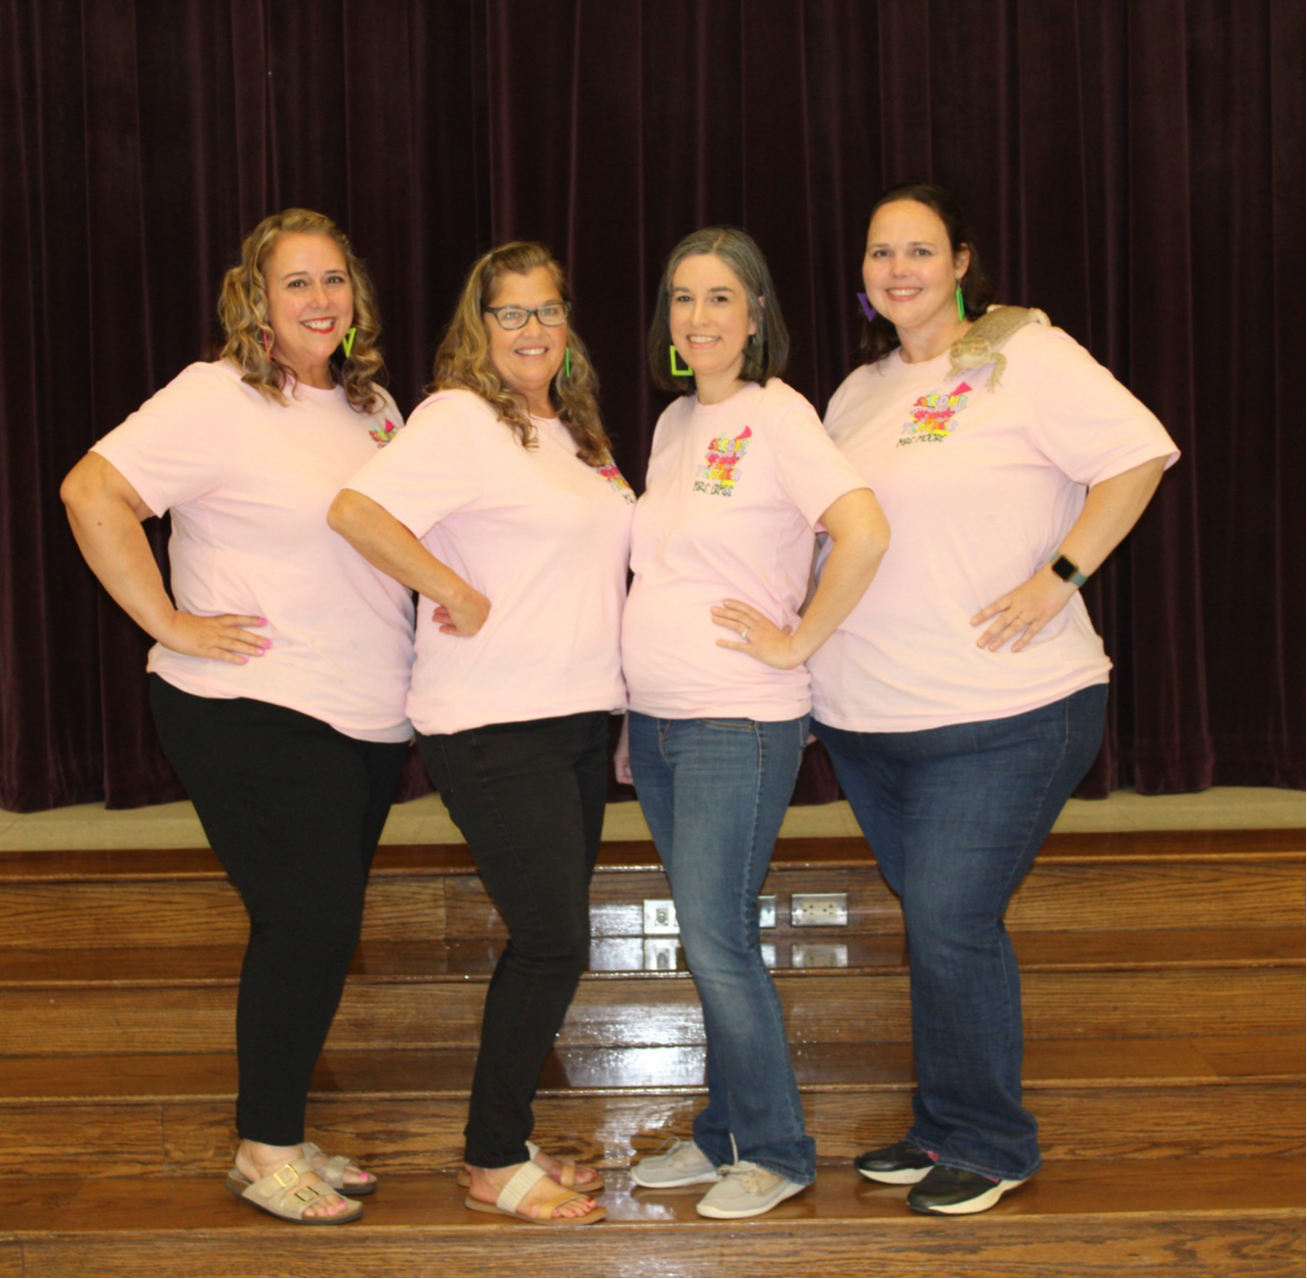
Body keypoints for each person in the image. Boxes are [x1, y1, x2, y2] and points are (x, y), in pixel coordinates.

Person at [809, 182, 1179, 1216]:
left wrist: (1056, 575)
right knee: (935, 924)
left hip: (1007, 712)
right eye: (881, 251)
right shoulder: (853, 393)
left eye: (918, 249)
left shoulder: (1029, 357)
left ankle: (988, 1139)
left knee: (947, 917)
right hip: (871, 720)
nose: (897, 269)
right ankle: (939, 1131)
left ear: (961, 260)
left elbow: (1137, 456)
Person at [61, 209, 415, 1224]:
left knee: (311, 927)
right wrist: (169, 619)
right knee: (309, 919)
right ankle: (264, 1148)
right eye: (295, 282)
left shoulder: (374, 407)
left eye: (334, 279)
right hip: (252, 705)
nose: (320, 299)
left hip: (363, 716)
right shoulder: (214, 396)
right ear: (253, 300)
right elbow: (92, 492)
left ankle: (286, 1130)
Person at [328, 242, 632, 1227]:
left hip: (576, 717)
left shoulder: (568, 430)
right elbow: (357, 509)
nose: (534, 328)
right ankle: (491, 1157)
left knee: (553, 939)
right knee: (552, 938)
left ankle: (507, 1137)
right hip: (493, 722)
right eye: (511, 313)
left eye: (548, 310)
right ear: (479, 325)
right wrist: (450, 588)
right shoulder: (459, 417)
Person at [619, 227, 889, 1219]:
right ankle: (720, 1132)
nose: (698, 318)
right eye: (682, 298)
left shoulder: (778, 416)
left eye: (719, 298)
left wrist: (797, 638)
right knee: (709, 935)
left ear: (756, 312)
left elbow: (860, 528)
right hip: (660, 721)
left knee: (714, 938)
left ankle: (774, 1149)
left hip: (736, 719)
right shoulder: (674, 423)